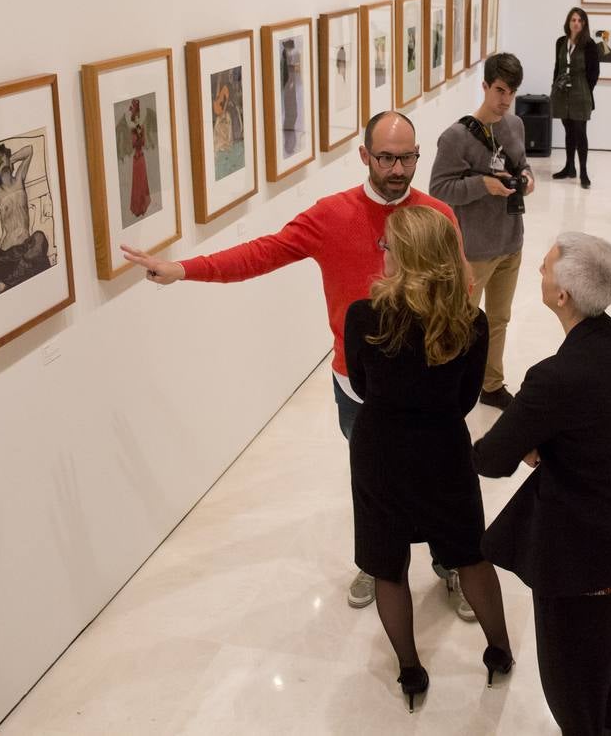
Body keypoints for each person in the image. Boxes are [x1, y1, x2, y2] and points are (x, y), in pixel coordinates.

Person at [120, 111, 470, 617]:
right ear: (365, 157)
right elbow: (263, 253)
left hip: (428, 383)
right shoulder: (330, 216)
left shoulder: (437, 215)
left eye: (408, 157)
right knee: (373, 479)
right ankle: (378, 562)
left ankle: (450, 560)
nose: (399, 169)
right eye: (388, 158)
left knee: (437, 477)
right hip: (358, 383)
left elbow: (460, 290)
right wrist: (184, 269)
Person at [474, 232, 611, 736]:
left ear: (563, 296)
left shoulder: (554, 378)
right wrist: (550, 440)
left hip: (583, 560)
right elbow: (603, 419)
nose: (538, 268)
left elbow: (492, 458)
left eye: (545, 267)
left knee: (572, 685)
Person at [344, 205, 512, 711]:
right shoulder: (472, 322)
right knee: (470, 553)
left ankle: (411, 670)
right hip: (443, 451)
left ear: (407, 256)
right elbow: (465, 400)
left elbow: (360, 386)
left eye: (389, 246)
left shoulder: (364, 316)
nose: (384, 252)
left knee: (388, 565)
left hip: (380, 454)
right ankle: (499, 651)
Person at [429, 52, 534, 411]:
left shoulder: (515, 125)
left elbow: (522, 164)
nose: (505, 100)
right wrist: (482, 185)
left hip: (510, 242)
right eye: (500, 90)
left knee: (500, 319)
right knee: (460, 323)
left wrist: (527, 178)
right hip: (473, 250)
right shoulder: (455, 138)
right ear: (485, 86)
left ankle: (492, 384)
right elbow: (439, 189)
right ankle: (449, 388)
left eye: (512, 92)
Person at [0, 142, 52, 296]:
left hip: (25, 245)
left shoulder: (19, 179)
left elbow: (29, 150)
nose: (1, 161)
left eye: (4, 158)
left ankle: (7, 284)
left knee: (39, 238)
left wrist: (10, 160)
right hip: (6, 252)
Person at [550, 7, 601, 188]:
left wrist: (585, 89)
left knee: (580, 132)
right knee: (568, 129)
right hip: (563, 91)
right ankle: (569, 167)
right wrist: (554, 86)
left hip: (581, 91)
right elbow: (558, 67)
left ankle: (584, 172)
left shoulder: (589, 45)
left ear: (584, 23)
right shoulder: (561, 42)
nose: (576, 23)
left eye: (579, 20)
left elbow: (594, 73)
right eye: (573, 20)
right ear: (568, 22)